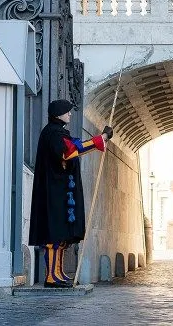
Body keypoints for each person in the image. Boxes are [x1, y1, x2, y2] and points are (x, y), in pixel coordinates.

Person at [28, 99, 114, 288]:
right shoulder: (53, 133)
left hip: (62, 191)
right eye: (67, 111)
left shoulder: (58, 132)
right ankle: (51, 276)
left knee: (61, 236)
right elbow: (69, 152)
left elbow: (75, 148)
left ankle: (57, 273)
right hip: (54, 192)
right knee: (54, 234)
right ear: (58, 114)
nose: (70, 114)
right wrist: (101, 139)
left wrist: (100, 140)